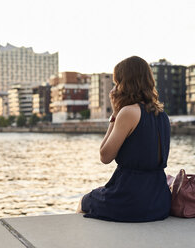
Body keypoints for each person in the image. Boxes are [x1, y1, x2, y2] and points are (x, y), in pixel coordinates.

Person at [76, 56, 171, 222]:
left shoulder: (128, 112)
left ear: (126, 83)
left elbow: (105, 156)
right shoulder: (162, 115)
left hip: (130, 200)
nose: (115, 88)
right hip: (160, 201)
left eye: (117, 82)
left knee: (84, 201)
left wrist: (114, 115)